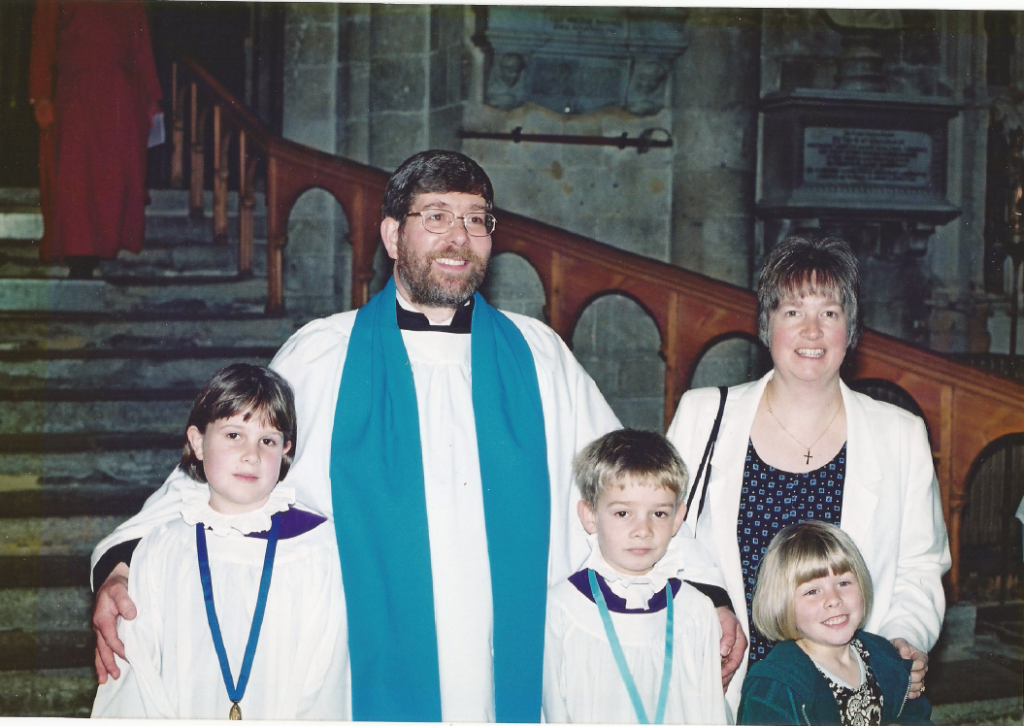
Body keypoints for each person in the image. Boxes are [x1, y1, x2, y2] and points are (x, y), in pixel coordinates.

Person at [89, 150, 744, 722]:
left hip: (508, 667)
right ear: (392, 235)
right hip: (360, 670)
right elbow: (225, 468)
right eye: (437, 216)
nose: (459, 237)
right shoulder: (324, 353)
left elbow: (629, 490)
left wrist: (705, 592)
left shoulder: (538, 357)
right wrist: (123, 564)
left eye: (476, 220)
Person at [666, 236, 950, 712]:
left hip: (845, 695)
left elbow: (920, 564)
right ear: (767, 324)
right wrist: (708, 603)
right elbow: (662, 538)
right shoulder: (704, 416)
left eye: (830, 313)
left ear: (850, 330)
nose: (812, 331)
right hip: (726, 685)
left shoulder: (899, 434)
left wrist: (904, 639)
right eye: (793, 312)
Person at [91, 364, 347, 719]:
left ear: (286, 451)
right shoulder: (163, 548)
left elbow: (325, 679)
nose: (252, 454)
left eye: (268, 441)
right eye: (234, 435)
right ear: (198, 443)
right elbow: (140, 678)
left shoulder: (317, 550)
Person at [543, 429, 728, 724]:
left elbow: (710, 714)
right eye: (623, 513)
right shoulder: (562, 609)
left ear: (678, 518)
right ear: (590, 515)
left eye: (659, 514)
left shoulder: (695, 610)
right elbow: (551, 709)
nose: (643, 530)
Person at [737, 521, 933, 725]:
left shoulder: (884, 655)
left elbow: (917, 715)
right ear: (782, 603)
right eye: (812, 591)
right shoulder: (773, 688)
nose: (834, 599)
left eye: (843, 583)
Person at [29, 0, 162, 276]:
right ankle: (79, 257)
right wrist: (41, 95)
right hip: (74, 89)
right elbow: (43, 36)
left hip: (119, 92)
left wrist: (151, 96)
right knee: (76, 177)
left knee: (111, 176)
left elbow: (140, 43)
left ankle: (106, 245)